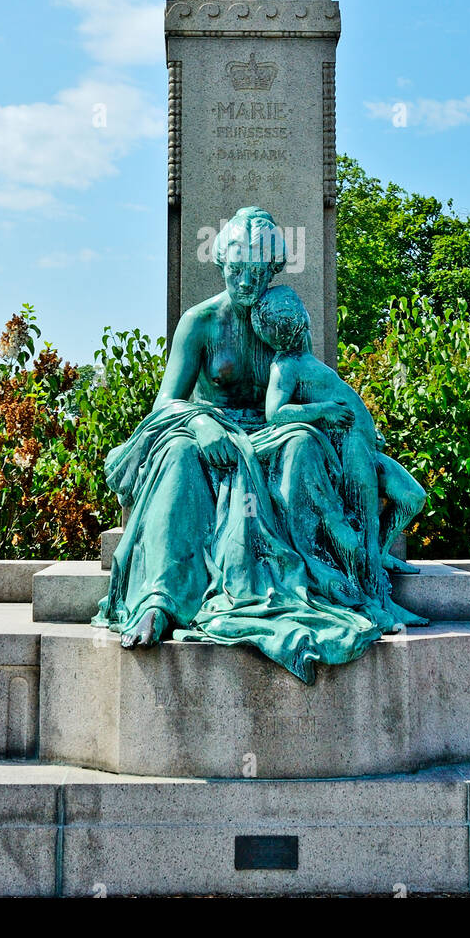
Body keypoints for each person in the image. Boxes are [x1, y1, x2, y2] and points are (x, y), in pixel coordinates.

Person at [92, 207, 426, 683]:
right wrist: (202, 424)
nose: (245, 280)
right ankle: (160, 601)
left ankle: (311, 581)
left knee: (304, 443)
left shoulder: (281, 323)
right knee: (179, 456)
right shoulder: (200, 322)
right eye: (235, 267)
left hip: (270, 436)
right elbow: (165, 403)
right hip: (206, 431)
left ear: (272, 271)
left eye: (256, 270)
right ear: (220, 262)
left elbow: (311, 391)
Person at [252, 284, 426, 594]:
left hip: (364, 446)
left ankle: (383, 556)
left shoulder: (307, 358)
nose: (299, 317)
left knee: (412, 497)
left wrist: (370, 433)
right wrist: (324, 411)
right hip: (346, 451)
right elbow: (274, 414)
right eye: (289, 314)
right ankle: (377, 595)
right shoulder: (285, 366)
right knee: (366, 526)